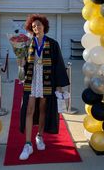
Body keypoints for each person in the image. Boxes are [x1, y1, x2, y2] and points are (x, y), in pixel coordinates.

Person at [18, 14, 70, 160]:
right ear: (31, 28)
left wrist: (59, 86)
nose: (36, 27)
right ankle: (28, 144)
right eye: (33, 26)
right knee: (29, 110)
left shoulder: (53, 43)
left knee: (43, 109)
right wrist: (21, 63)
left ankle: (39, 136)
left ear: (44, 26)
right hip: (32, 80)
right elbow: (23, 67)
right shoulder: (27, 44)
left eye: (39, 25)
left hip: (47, 80)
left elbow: (58, 64)